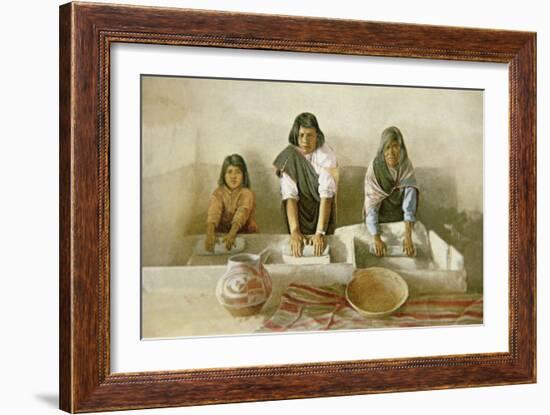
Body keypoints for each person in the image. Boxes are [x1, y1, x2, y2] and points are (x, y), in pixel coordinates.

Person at [273, 112, 338, 257]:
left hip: (321, 211)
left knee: (321, 252)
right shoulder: (289, 156)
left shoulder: (326, 154)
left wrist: (320, 232)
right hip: (298, 212)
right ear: (296, 135)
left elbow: (326, 195)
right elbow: (290, 196)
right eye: (301, 135)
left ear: (317, 136)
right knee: (297, 251)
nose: (305, 140)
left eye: (310, 135)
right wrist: (295, 230)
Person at [364, 126, 419, 257]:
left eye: (395, 146)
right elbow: (371, 207)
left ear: (401, 148)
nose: (391, 152)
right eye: (387, 147)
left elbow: (409, 205)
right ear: (382, 150)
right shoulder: (375, 169)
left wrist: (408, 236)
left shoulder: (406, 166)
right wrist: (377, 238)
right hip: (378, 221)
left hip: (401, 222)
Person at [204, 154, 258, 252]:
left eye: (238, 172)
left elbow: (241, 214)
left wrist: (232, 234)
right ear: (223, 175)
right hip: (223, 235)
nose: (233, 176)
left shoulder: (247, 193)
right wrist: (210, 233)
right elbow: (213, 214)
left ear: (243, 175)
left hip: (244, 236)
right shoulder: (218, 193)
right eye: (229, 172)